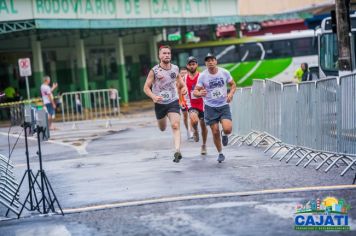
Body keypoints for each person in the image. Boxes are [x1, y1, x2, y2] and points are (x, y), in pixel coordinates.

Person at [143, 45, 188, 163]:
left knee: (175, 125)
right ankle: (162, 123)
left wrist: (184, 89)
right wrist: (153, 96)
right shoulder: (154, 71)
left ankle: (177, 150)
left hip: (173, 100)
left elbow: (181, 83)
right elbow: (146, 88)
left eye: (168, 53)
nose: (167, 55)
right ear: (159, 55)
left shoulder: (175, 68)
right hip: (160, 103)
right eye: (164, 53)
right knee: (162, 128)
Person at [194, 53, 237, 163]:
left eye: (212, 60)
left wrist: (231, 94)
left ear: (216, 61)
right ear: (206, 63)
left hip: (223, 105)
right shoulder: (203, 76)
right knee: (215, 131)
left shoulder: (224, 72)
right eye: (208, 61)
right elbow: (195, 91)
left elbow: (233, 84)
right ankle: (220, 153)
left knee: (227, 129)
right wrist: (200, 93)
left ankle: (224, 134)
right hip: (210, 107)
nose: (211, 62)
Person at [185, 56, 208, 155]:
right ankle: (195, 130)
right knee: (194, 120)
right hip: (191, 104)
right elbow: (179, 88)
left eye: (193, 64)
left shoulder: (202, 76)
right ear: (187, 66)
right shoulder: (184, 78)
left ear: (197, 65)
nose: (192, 66)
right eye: (190, 64)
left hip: (203, 104)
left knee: (204, 126)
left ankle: (203, 145)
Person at [178, 67, 193, 140]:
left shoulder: (189, 80)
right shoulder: (178, 82)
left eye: (185, 73)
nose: (183, 74)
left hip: (190, 101)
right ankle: (187, 131)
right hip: (182, 101)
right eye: (182, 73)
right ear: (179, 74)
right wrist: (180, 102)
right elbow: (178, 93)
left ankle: (191, 132)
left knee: (191, 116)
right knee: (185, 117)